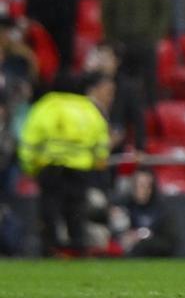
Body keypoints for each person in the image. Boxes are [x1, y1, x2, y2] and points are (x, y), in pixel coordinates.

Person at [18, 72, 114, 256]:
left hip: (51, 166)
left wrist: (29, 166)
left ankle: (51, 247)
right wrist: (98, 160)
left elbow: (30, 138)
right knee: (76, 209)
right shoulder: (88, 108)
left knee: (49, 208)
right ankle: (78, 246)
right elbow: (101, 139)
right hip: (80, 168)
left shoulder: (47, 105)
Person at [101, 0, 171, 140]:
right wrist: (111, 38)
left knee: (149, 89)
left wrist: (155, 36)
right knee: (119, 88)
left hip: (145, 41)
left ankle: (150, 129)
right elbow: (107, 8)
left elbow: (163, 7)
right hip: (120, 41)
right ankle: (119, 128)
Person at [110, 168, 178, 256]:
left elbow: (170, 243)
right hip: (125, 254)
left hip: (152, 255)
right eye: (137, 185)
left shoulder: (162, 210)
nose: (141, 189)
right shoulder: (123, 206)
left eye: (145, 185)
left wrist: (142, 239)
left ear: (151, 188)